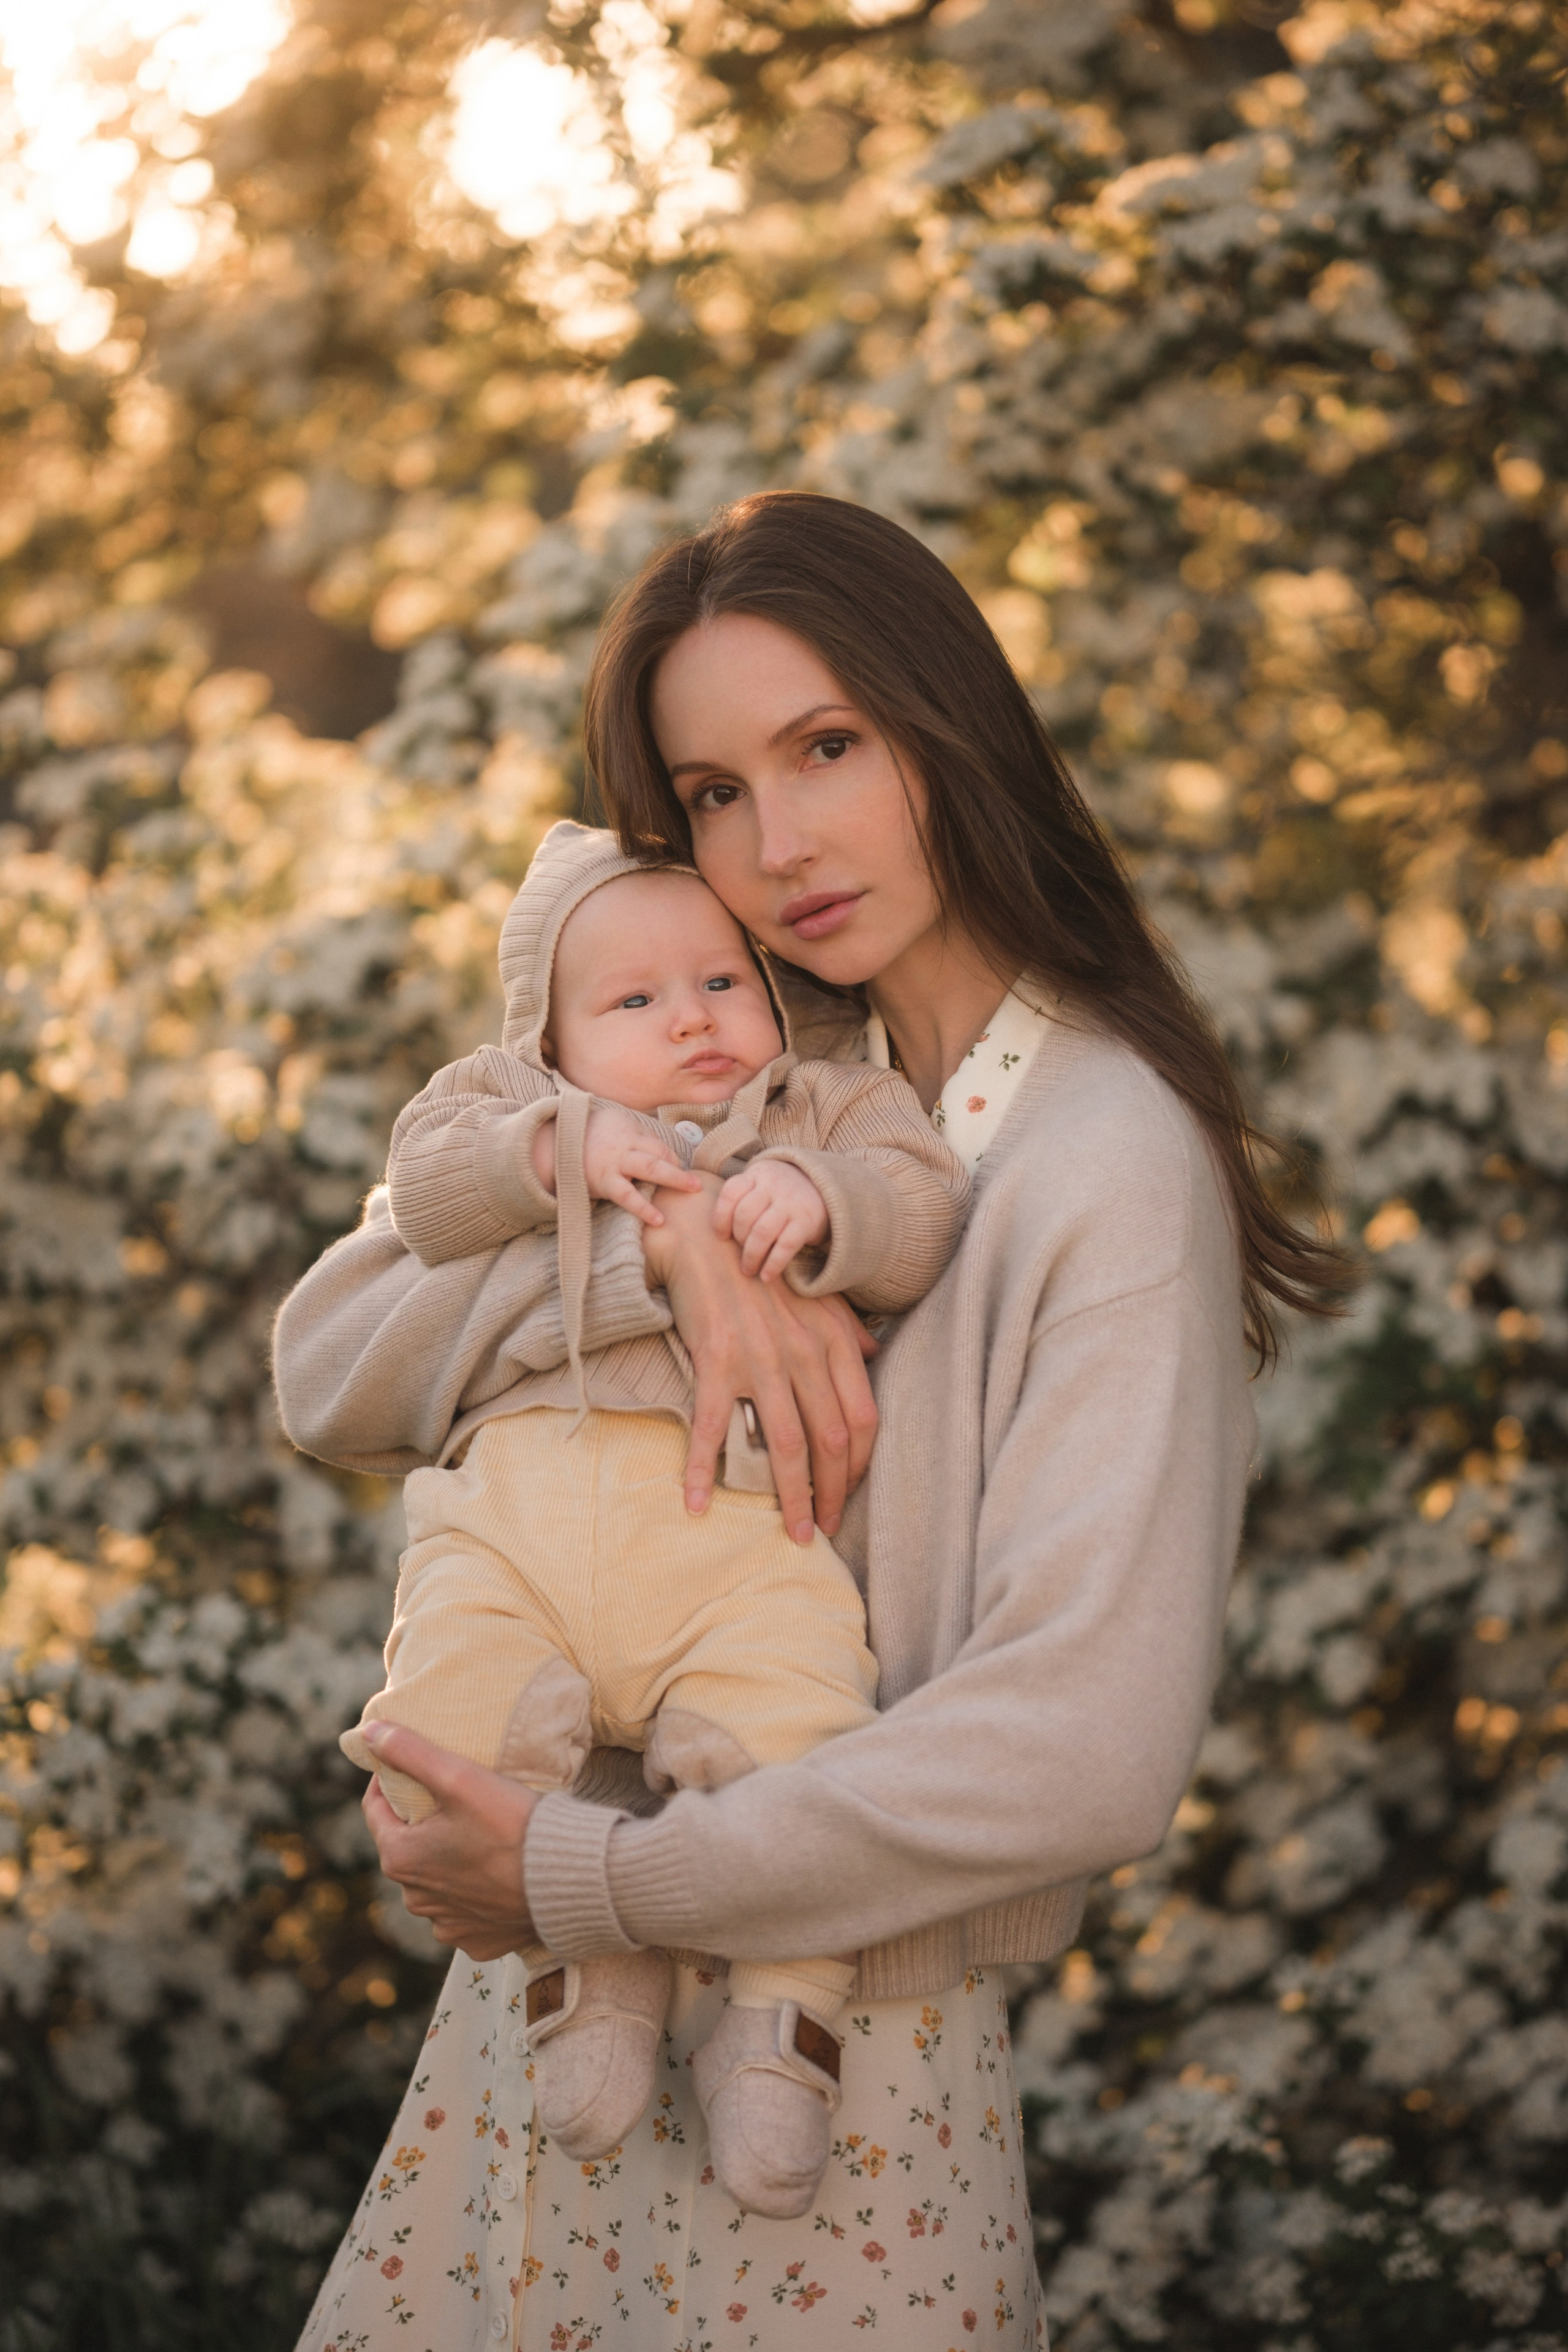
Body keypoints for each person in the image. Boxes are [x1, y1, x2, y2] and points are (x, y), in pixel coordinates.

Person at [274, 491, 1349, 2351]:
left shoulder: (1105, 1160)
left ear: (952, 728)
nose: (776, 845)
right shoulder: (734, 1048)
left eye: (828, 747)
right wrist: (669, 1258)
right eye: (709, 791)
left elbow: (1082, 1741)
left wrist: (594, 1874)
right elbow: (330, 1352)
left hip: (832, 2087)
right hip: (546, 2053)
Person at [328, 816, 970, 2217]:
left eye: (720, 981)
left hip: (742, 1550)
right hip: (514, 1539)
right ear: (548, 1039)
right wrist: (554, 1148)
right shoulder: (516, 1102)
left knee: (801, 1734)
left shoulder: (825, 1101)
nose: (690, 1020)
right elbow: (427, 1181)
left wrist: (824, 1198)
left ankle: (777, 2033)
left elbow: (921, 1207)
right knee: (446, 1726)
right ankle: (586, 1980)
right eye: (632, 1001)